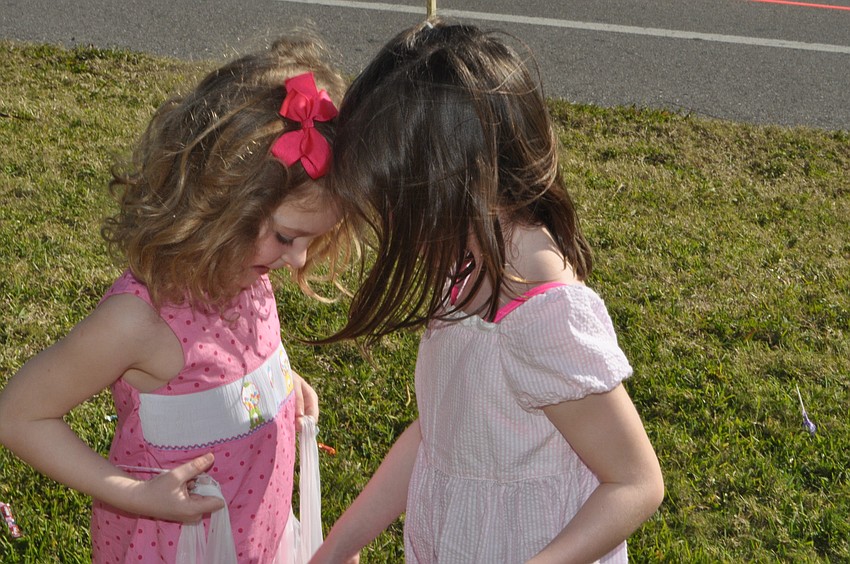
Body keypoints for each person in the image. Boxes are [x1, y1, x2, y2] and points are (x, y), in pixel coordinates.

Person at [311, 19, 664, 564]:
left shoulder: (544, 315)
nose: (390, 224)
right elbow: (437, 436)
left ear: (453, 186)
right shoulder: (463, 272)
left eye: (397, 206)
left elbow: (635, 482)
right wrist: (341, 543)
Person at [0, 34, 348, 563]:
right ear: (224, 206)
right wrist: (135, 495)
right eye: (286, 237)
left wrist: (278, 382)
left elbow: (229, 374)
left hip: (255, 535)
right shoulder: (138, 322)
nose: (298, 260)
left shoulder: (246, 278)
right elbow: (18, 415)